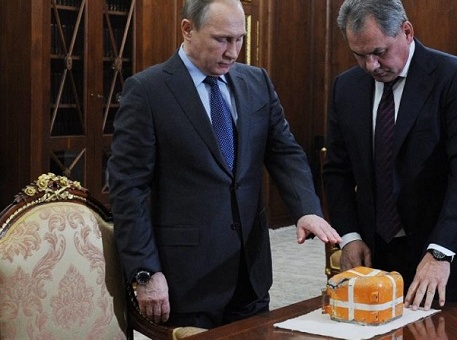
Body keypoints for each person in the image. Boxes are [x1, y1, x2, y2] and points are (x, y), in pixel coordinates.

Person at [108, 0, 341, 329]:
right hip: (188, 276)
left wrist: (306, 208)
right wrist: (145, 272)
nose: (234, 52)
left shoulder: (256, 81)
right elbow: (127, 189)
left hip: (251, 271)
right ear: (187, 30)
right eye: (222, 39)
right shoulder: (148, 91)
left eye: (240, 39)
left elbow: (284, 152)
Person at [323, 0, 457, 311]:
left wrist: (441, 251)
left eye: (379, 52)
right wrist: (349, 236)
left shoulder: (455, 78)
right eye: (359, 55)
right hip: (376, 255)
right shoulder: (346, 87)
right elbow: (337, 170)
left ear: (407, 31)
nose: (371, 66)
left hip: (445, 253)